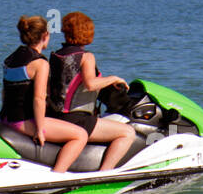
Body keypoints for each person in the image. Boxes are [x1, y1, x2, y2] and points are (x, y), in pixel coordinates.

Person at [48, 12, 137, 171]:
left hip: (55, 117)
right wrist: (114, 78)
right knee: (127, 132)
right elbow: (90, 84)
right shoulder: (86, 57)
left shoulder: (56, 55)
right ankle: (104, 174)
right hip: (76, 118)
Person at [0, 15, 87, 172]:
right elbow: (39, 98)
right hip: (22, 121)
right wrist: (39, 130)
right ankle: (57, 176)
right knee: (80, 135)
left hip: (6, 118)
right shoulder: (40, 63)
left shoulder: (10, 59)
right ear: (45, 36)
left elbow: (5, 93)